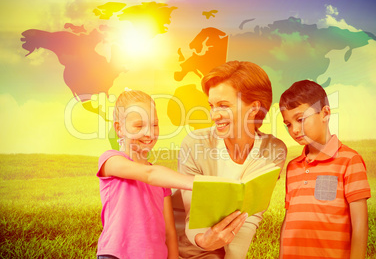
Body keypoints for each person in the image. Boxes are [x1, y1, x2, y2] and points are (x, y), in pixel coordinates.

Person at [173, 61, 287, 258]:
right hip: (186, 248)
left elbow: (251, 214)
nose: (214, 115)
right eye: (212, 106)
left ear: (254, 108)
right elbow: (194, 215)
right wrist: (204, 241)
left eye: (223, 106)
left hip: (224, 249)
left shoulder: (273, 150)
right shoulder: (195, 144)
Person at [96, 89, 194, 259]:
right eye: (139, 126)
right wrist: (196, 182)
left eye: (154, 124)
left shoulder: (161, 180)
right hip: (117, 255)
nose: (149, 133)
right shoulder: (110, 160)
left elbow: (170, 233)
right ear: (119, 128)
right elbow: (149, 174)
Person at [278, 80, 371, 259]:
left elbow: (360, 225)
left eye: (300, 119)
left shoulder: (350, 161)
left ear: (325, 113)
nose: (294, 130)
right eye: (288, 124)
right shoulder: (293, 167)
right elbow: (288, 219)